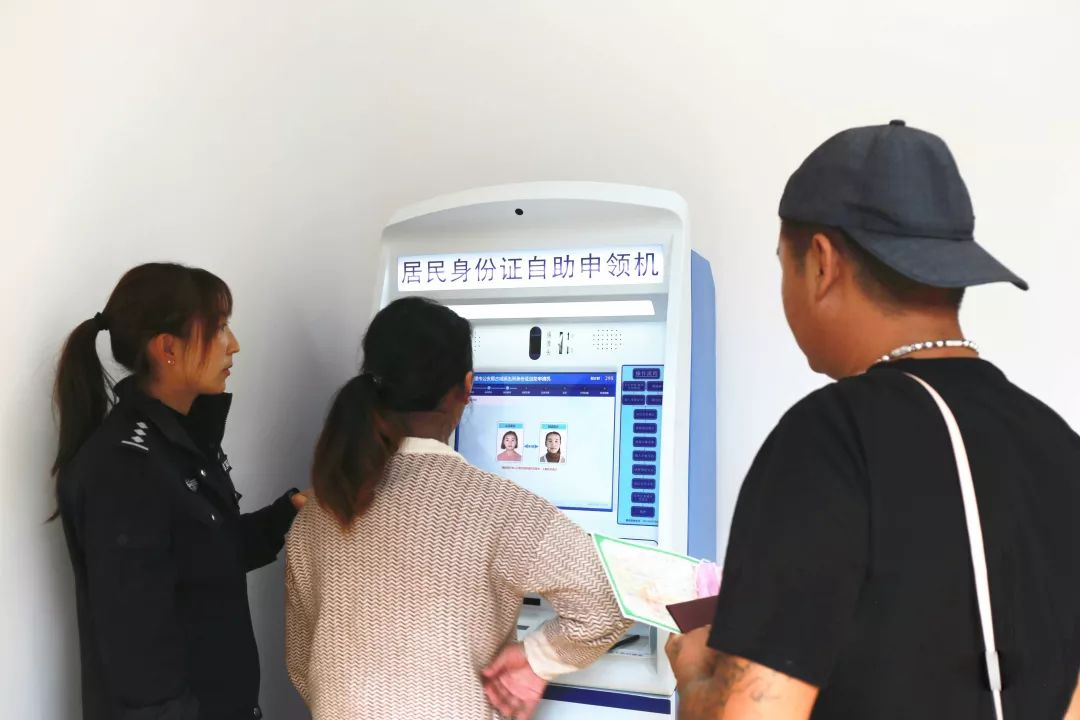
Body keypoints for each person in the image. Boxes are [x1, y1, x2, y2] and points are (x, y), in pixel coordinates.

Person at [666, 121, 1080, 719]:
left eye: (783, 264)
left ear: (821, 263)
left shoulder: (828, 439)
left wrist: (695, 675)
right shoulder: (1058, 444)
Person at [285, 297, 630, 720]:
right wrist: (535, 658)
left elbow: (302, 663)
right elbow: (612, 599)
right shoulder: (502, 507)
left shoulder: (318, 511)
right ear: (467, 388)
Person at [53, 263, 307, 720]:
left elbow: (210, 554)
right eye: (220, 328)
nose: (234, 344)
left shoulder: (182, 440)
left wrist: (290, 511)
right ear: (168, 348)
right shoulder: (124, 468)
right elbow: (137, 649)